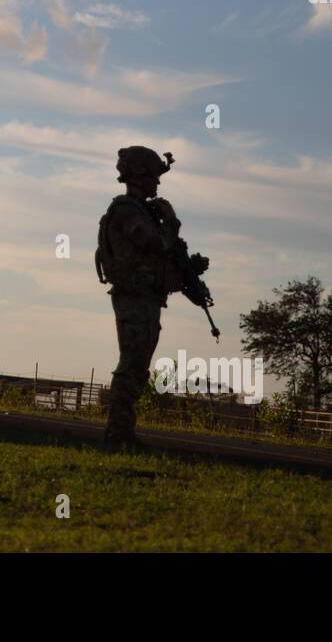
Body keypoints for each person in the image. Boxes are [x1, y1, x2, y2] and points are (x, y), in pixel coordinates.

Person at [94, 145, 202, 449]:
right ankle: (117, 433)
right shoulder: (128, 210)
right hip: (133, 297)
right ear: (140, 175)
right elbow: (154, 244)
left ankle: (122, 432)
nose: (158, 183)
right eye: (154, 176)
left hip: (146, 297)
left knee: (138, 365)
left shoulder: (140, 211)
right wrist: (172, 223)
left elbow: (158, 255)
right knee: (132, 363)